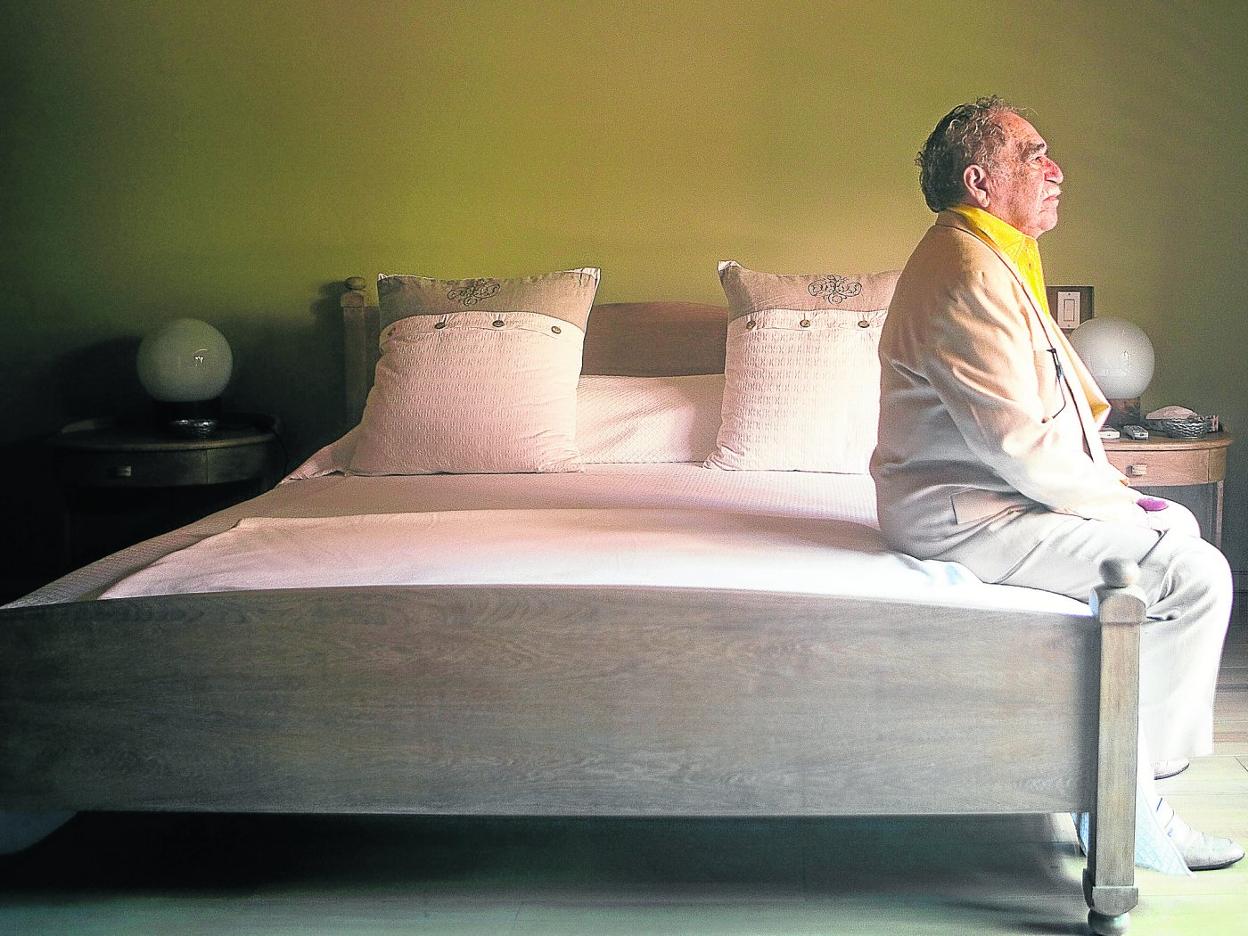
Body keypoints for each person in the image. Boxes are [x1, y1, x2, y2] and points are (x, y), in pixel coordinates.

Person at [871, 96, 1242, 871]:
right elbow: (1017, 445)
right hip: (969, 515)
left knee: (1179, 536)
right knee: (1196, 573)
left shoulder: (988, 253)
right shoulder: (967, 271)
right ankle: (1131, 804)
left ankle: (1123, 780)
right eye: (1032, 155)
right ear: (979, 181)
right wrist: (1128, 510)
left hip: (996, 498)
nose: (1055, 169)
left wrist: (1128, 503)